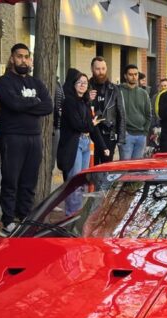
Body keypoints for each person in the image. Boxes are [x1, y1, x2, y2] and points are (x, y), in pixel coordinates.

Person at [0, 43, 53, 236]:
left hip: (34, 137)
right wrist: (32, 103)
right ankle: (8, 221)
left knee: (29, 181)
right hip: (12, 136)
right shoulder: (4, 82)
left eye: (26, 57)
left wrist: (24, 104)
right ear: (12, 58)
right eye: (19, 56)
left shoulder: (36, 83)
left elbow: (48, 106)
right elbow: (12, 103)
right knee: (11, 179)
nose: (23, 60)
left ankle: (25, 217)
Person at [57, 69, 107, 215]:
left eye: (85, 83)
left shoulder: (84, 102)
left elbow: (90, 127)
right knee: (74, 181)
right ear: (74, 84)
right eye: (79, 82)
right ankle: (71, 216)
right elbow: (79, 125)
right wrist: (92, 124)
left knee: (81, 182)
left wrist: (103, 146)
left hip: (85, 143)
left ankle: (77, 214)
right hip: (74, 144)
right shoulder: (69, 102)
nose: (82, 85)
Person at [89, 56, 125, 164]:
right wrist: (88, 98)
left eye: (103, 69)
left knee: (106, 167)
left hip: (108, 134)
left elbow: (121, 113)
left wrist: (121, 138)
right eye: (98, 69)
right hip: (91, 133)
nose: (101, 72)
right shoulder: (86, 87)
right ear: (92, 69)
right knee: (92, 167)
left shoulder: (114, 88)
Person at [118, 64, 151, 160]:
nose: (134, 77)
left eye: (136, 74)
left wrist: (145, 131)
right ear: (125, 76)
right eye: (131, 74)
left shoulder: (143, 93)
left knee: (137, 170)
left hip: (141, 136)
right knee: (125, 168)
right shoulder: (119, 92)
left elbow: (149, 114)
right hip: (126, 135)